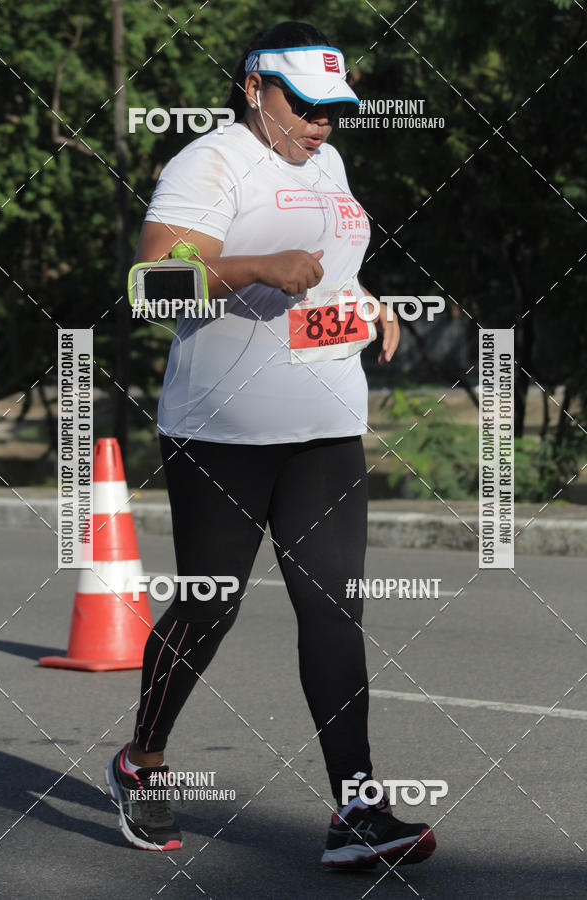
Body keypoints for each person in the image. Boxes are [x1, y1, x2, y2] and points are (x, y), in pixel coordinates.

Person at [105, 20, 437, 870]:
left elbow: (328, 266)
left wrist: (364, 301)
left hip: (326, 424)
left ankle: (357, 811)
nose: (324, 122)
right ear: (254, 89)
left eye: (337, 108)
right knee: (211, 606)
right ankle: (142, 761)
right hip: (224, 430)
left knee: (334, 610)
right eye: (307, 105)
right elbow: (149, 285)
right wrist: (249, 267)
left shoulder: (323, 162)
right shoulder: (207, 163)